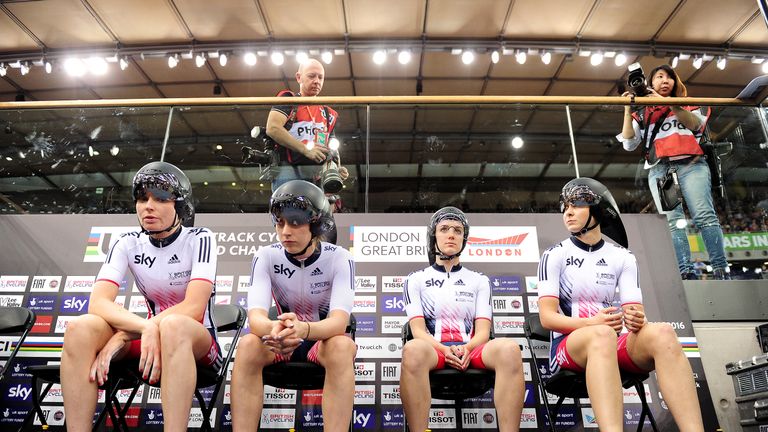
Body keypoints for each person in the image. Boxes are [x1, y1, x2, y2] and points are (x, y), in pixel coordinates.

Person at [61, 162, 220, 432]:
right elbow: (98, 302)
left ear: (180, 206)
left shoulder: (200, 238)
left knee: (173, 325)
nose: (148, 205)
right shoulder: (126, 242)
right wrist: (145, 327)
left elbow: (194, 308)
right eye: (142, 198)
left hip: (197, 340)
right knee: (80, 328)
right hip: (146, 335)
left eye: (160, 199)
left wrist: (123, 335)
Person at [537, 177, 704, 432]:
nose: (567, 212)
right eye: (565, 206)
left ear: (598, 209)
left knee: (662, 333)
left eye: (576, 205)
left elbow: (634, 313)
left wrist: (638, 319)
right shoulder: (554, 254)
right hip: (568, 346)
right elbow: (547, 319)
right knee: (602, 333)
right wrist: (591, 323)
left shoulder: (622, 256)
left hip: (610, 342)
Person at [230, 180, 356, 432]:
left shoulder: (340, 257)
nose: (285, 231)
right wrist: (277, 330)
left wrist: (302, 330)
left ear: (317, 224)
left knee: (342, 345)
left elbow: (339, 322)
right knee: (248, 344)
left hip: (320, 345)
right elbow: (256, 319)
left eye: (295, 222)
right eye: (280, 223)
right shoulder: (265, 256)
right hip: (280, 342)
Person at [400, 206, 525, 432]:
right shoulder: (415, 279)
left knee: (510, 349)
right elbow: (418, 332)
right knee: (413, 350)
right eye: (444, 229)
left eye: (458, 231)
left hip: (472, 348)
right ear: (433, 236)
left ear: (463, 239)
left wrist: (467, 348)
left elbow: (484, 333)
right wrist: (445, 350)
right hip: (434, 349)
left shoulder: (479, 280)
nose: (451, 234)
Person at [617, 64, 729, 280]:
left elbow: (696, 125)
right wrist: (627, 109)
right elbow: (629, 144)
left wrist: (666, 102)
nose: (665, 80)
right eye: (659, 77)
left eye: (669, 77)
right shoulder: (643, 111)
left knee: (705, 216)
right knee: (673, 222)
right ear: (650, 83)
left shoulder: (688, 104)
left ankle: (720, 269)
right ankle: (685, 273)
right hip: (660, 169)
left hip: (692, 165)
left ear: (677, 83)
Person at [265, 58, 349, 192]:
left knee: (318, 212)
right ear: (299, 77)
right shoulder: (289, 99)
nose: (317, 81)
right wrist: (306, 150)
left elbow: (331, 147)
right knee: (288, 209)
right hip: (288, 169)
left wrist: (336, 168)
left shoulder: (328, 113)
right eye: (311, 76)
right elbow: (273, 128)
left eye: (321, 77)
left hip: (317, 174)